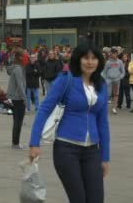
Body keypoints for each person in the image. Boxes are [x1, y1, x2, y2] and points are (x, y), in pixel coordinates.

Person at [29, 42, 110, 203]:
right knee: (78, 199)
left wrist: (105, 157)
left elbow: (103, 122)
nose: (90, 62)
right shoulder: (66, 80)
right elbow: (44, 109)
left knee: (96, 199)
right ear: (78, 60)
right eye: (86, 58)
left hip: (92, 151)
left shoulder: (101, 84)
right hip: (66, 149)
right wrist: (34, 143)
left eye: (94, 58)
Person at [7, 51, 28, 150]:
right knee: (18, 122)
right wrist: (25, 99)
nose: (26, 58)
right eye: (24, 57)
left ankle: (15, 142)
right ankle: (16, 143)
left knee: (16, 121)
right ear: (20, 58)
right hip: (18, 98)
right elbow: (20, 85)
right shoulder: (18, 69)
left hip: (15, 98)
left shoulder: (15, 68)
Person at [103, 48, 124, 114]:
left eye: (115, 53)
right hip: (109, 80)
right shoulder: (108, 62)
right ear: (111, 54)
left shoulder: (120, 62)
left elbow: (123, 72)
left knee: (116, 94)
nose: (114, 55)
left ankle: (114, 108)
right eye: (112, 53)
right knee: (107, 94)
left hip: (117, 80)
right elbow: (104, 72)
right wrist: (105, 79)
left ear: (117, 54)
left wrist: (120, 77)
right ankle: (104, 108)